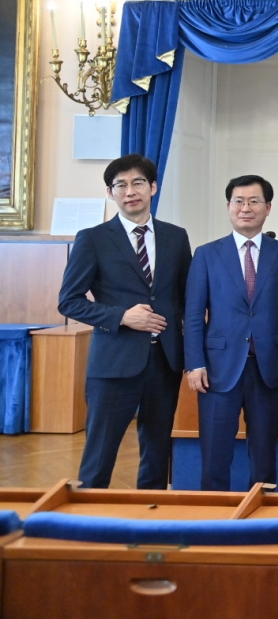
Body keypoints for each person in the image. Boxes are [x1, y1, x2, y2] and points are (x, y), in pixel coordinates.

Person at [58, 153, 192, 489]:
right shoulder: (93, 238)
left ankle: (151, 515)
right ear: (110, 192)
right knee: (100, 452)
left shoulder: (176, 237)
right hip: (113, 362)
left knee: (158, 449)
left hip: (165, 361)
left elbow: (185, 299)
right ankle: (88, 523)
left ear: (153, 187)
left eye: (138, 183)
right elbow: (69, 301)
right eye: (121, 185)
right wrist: (122, 316)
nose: (130, 191)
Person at [184, 175, 278, 491]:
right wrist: (194, 363)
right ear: (228, 206)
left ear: (268, 208)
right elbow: (193, 315)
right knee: (215, 452)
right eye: (239, 201)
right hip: (217, 369)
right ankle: (214, 519)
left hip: (269, 366)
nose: (246, 208)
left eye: (254, 201)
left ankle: (262, 517)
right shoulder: (207, 254)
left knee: (264, 454)